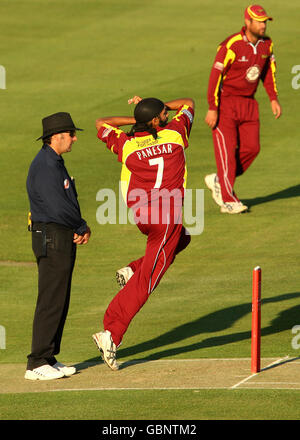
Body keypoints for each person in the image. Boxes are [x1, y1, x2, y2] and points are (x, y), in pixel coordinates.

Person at [92, 96, 195, 370]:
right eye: (162, 113)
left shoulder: (127, 144)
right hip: (166, 218)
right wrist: (160, 110)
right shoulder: (176, 132)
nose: (166, 114)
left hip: (143, 216)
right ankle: (111, 333)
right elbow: (188, 102)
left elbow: (101, 123)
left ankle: (133, 270)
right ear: (157, 119)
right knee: (149, 279)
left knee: (182, 239)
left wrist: (138, 119)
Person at [25, 112, 91, 380]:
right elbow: (57, 206)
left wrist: (77, 225)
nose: (74, 139)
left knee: (59, 298)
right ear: (57, 137)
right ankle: (36, 362)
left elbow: (65, 201)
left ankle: (48, 357)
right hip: (51, 236)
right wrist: (81, 225)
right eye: (70, 134)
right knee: (51, 299)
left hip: (58, 235)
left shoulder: (54, 161)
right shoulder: (46, 165)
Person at [204, 4, 282, 214]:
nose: (263, 25)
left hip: (249, 104)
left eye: (264, 21)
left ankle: (220, 180)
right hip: (226, 104)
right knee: (227, 155)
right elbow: (215, 77)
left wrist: (273, 98)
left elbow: (268, 72)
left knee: (252, 149)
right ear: (247, 22)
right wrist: (213, 107)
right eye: (258, 21)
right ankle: (228, 201)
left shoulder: (267, 44)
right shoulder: (232, 45)